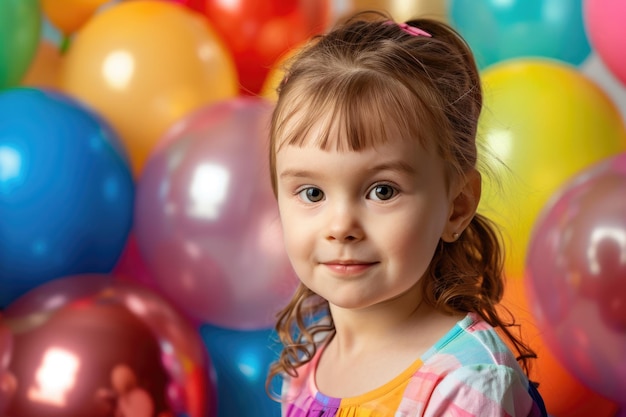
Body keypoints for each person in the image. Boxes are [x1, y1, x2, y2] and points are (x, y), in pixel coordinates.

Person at [265, 10, 548, 417]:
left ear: (458, 205)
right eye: (312, 193)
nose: (341, 226)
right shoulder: (309, 364)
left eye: (382, 190)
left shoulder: (467, 382)